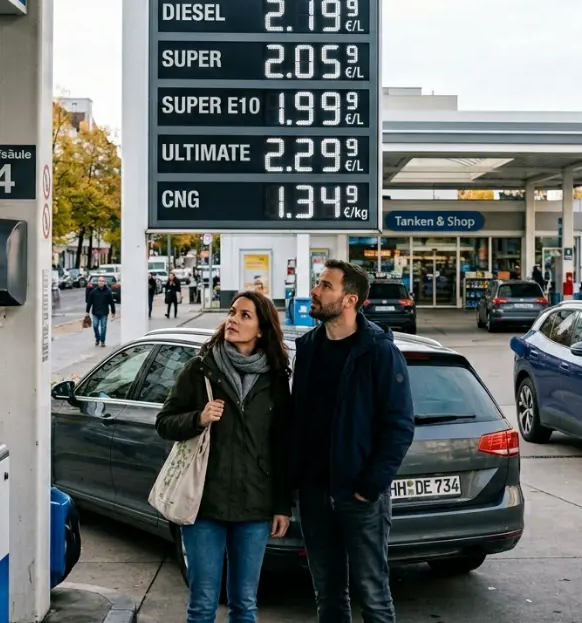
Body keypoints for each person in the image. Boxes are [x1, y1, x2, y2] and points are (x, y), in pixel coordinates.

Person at [155, 291, 293, 623]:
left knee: (244, 604)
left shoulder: (275, 377)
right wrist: (198, 418)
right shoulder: (200, 369)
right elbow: (164, 422)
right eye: (232, 312)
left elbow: (282, 446)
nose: (233, 320)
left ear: (261, 329)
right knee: (203, 603)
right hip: (205, 504)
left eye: (245, 315)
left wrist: (282, 506)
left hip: (255, 505)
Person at [290, 260, 415, 623]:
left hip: (359, 497)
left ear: (350, 300)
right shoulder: (309, 348)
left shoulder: (378, 351)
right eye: (317, 283)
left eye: (325, 286)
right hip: (314, 494)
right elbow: (298, 421)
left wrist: (369, 487)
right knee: (327, 596)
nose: (314, 291)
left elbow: (399, 426)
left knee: (373, 597)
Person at [85, 276, 116, 347]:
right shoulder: (94, 291)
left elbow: (112, 303)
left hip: (104, 313)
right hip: (95, 312)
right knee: (95, 326)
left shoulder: (108, 291)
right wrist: (87, 312)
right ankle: (97, 338)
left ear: (104, 282)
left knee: (103, 327)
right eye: (99, 281)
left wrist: (113, 312)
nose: (101, 282)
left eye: (102, 281)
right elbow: (89, 302)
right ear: (98, 282)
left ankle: (102, 341)